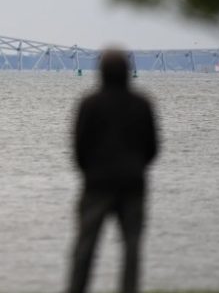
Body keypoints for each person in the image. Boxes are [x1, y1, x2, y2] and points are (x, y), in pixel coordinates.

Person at [68, 48, 159, 293]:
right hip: (132, 185)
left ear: (101, 73)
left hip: (96, 185)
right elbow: (153, 148)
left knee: (85, 247)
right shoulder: (143, 104)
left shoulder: (89, 104)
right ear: (128, 73)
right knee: (132, 248)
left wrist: (90, 171)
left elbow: (78, 148)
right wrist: (136, 167)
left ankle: (76, 288)